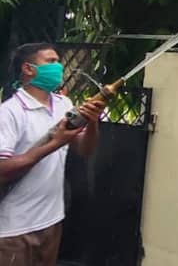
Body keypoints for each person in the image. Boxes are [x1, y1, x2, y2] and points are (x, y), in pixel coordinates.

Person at [0, 43, 105, 266]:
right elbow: (3, 170)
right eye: (51, 61)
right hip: (13, 228)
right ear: (28, 69)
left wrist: (93, 122)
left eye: (58, 61)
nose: (58, 67)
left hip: (51, 220)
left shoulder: (63, 104)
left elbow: (84, 149)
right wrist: (56, 143)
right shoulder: (9, 112)